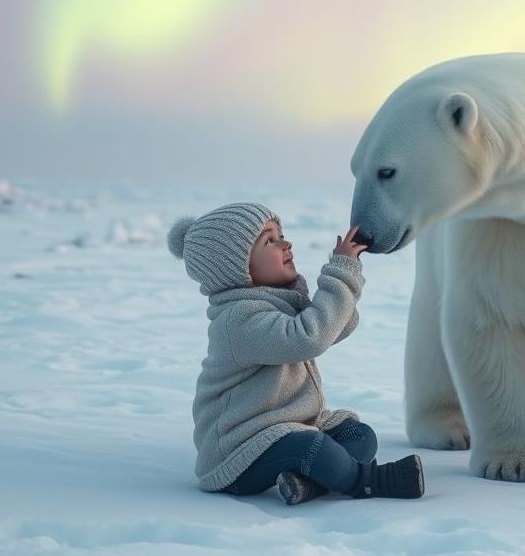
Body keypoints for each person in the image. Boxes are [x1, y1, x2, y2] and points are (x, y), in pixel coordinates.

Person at [167, 201, 425, 505]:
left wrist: (348, 273)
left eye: (281, 235)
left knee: (359, 435)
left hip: (286, 428)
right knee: (311, 447)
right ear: (236, 268)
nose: (285, 244)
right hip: (239, 452)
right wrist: (340, 274)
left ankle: (307, 485)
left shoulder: (275, 304)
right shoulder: (238, 320)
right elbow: (310, 337)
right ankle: (368, 482)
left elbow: (338, 326)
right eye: (269, 241)